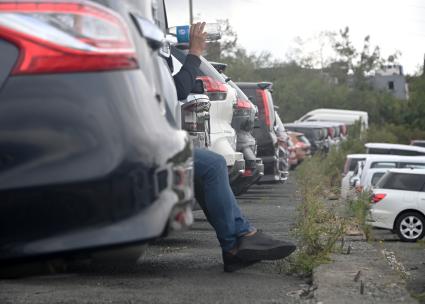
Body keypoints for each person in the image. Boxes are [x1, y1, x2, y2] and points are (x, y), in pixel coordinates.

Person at [170, 22, 296, 272]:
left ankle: (238, 242)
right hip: (137, 145)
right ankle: (238, 241)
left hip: (150, 141)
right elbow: (179, 89)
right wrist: (194, 53)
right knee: (211, 165)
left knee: (209, 165)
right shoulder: (129, 51)